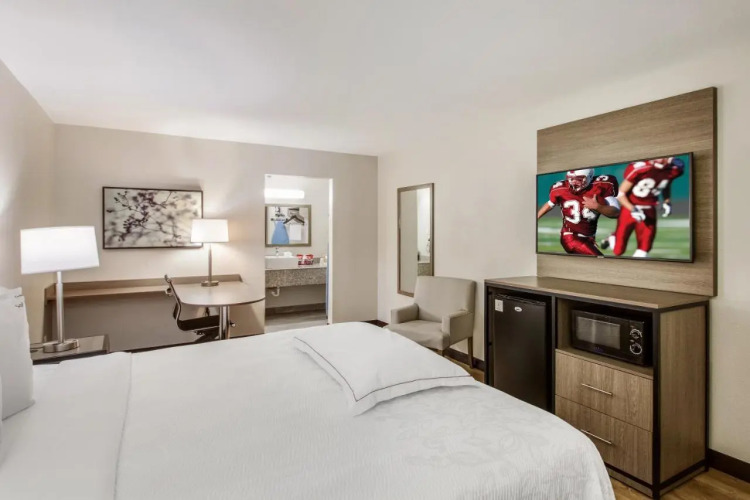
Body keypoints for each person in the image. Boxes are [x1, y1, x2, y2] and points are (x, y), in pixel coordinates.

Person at [601, 157, 684, 258]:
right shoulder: (641, 168)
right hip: (630, 208)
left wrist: (667, 201)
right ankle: (612, 238)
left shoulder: (671, 170)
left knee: (644, 250)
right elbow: (621, 193)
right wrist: (633, 209)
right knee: (618, 251)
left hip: (649, 209)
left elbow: (666, 183)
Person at [537, 169, 620, 256]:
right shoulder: (561, 189)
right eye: (571, 179)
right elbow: (550, 203)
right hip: (571, 237)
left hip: (589, 238)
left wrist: (597, 207)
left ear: (589, 177)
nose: (573, 182)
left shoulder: (602, 185)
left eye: (579, 179)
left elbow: (616, 213)